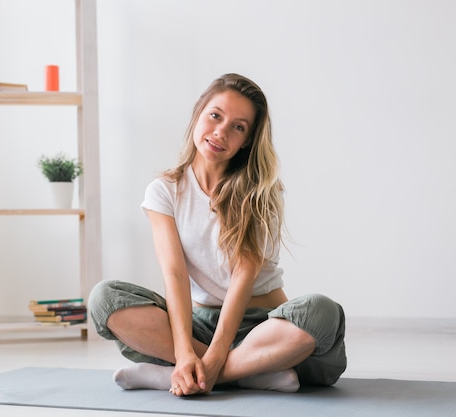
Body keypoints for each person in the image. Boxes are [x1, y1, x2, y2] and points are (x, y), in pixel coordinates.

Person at [88, 73, 346, 397]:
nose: (221, 132)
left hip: (265, 327)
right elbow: (175, 274)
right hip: (200, 328)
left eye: (238, 127)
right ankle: (245, 373)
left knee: (323, 312)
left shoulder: (262, 191)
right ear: (199, 112)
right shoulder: (164, 192)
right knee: (103, 299)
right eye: (215, 116)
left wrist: (215, 358)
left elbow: (243, 275)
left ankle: (193, 374)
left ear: (248, 140)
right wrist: (185, 352)